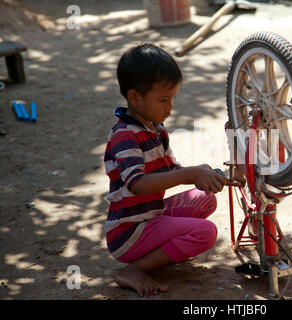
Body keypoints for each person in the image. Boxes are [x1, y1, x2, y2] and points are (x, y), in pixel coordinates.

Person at [104, 43, 245, 297]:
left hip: (150, 215)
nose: (169, 108)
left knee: (205, 199)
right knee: (206, 233)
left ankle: (164, 248)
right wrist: (189, 174)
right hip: (129, 232)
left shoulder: (155, 128)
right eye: (163, 100)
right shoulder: (124, 136)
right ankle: (133, 269)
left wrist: (207, 173)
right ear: (135, 98)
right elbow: (137, 184)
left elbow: (171, 170)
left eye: (172, 99)